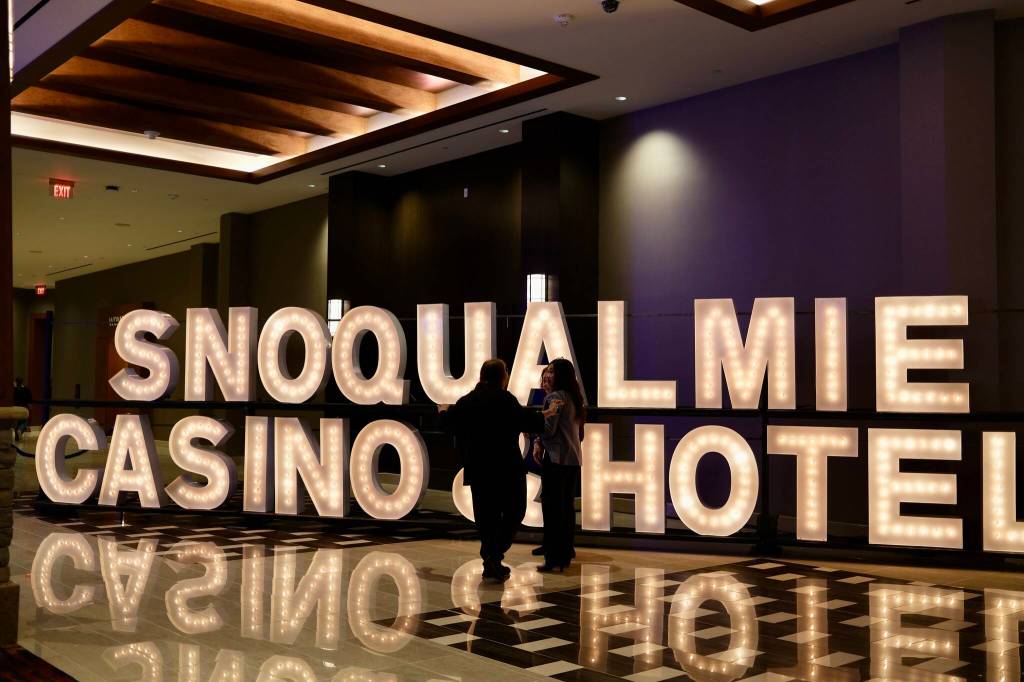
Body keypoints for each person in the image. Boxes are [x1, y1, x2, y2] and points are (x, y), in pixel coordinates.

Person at [441, 359, 557, 582]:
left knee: (486, 518)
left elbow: (447, 424)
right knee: (515, 512)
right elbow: (527, 421)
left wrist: (443, 411)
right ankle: (494, 556)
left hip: (479, 469)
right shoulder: (506, 400)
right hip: (507, 469)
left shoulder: (468, 401)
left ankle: (491, 559)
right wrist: (547, 414)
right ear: (502, 377)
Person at [533, 358, 585, 573]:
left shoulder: (554, 398)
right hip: (573, 460)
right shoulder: (575, 398)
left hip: (555, 459)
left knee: (552, 509)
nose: (548, 375)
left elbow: (549, 430)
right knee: (566, 508)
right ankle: (564, 554)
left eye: (552, 371)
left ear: (560, 375)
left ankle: (553, 559)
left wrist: (537, 435)